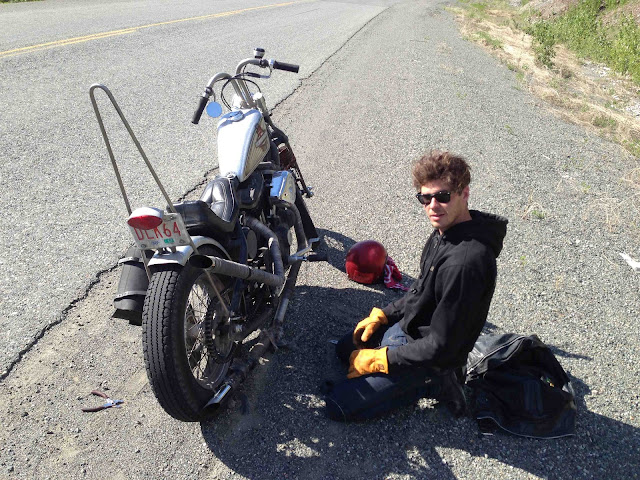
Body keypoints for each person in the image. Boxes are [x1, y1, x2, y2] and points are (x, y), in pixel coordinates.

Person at [325, 150, 508, 422]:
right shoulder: (445, 233)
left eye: (443, 196)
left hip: (431, 359)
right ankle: (395, 367)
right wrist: (385, 315)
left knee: (338, 405)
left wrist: (383, 359)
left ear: (464, 193)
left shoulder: (466, 263)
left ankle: (436, 383)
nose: (433, 205)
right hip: (411, 330)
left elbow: (441, 348)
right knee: (344, 349)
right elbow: (421, 290)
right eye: (425, 198)